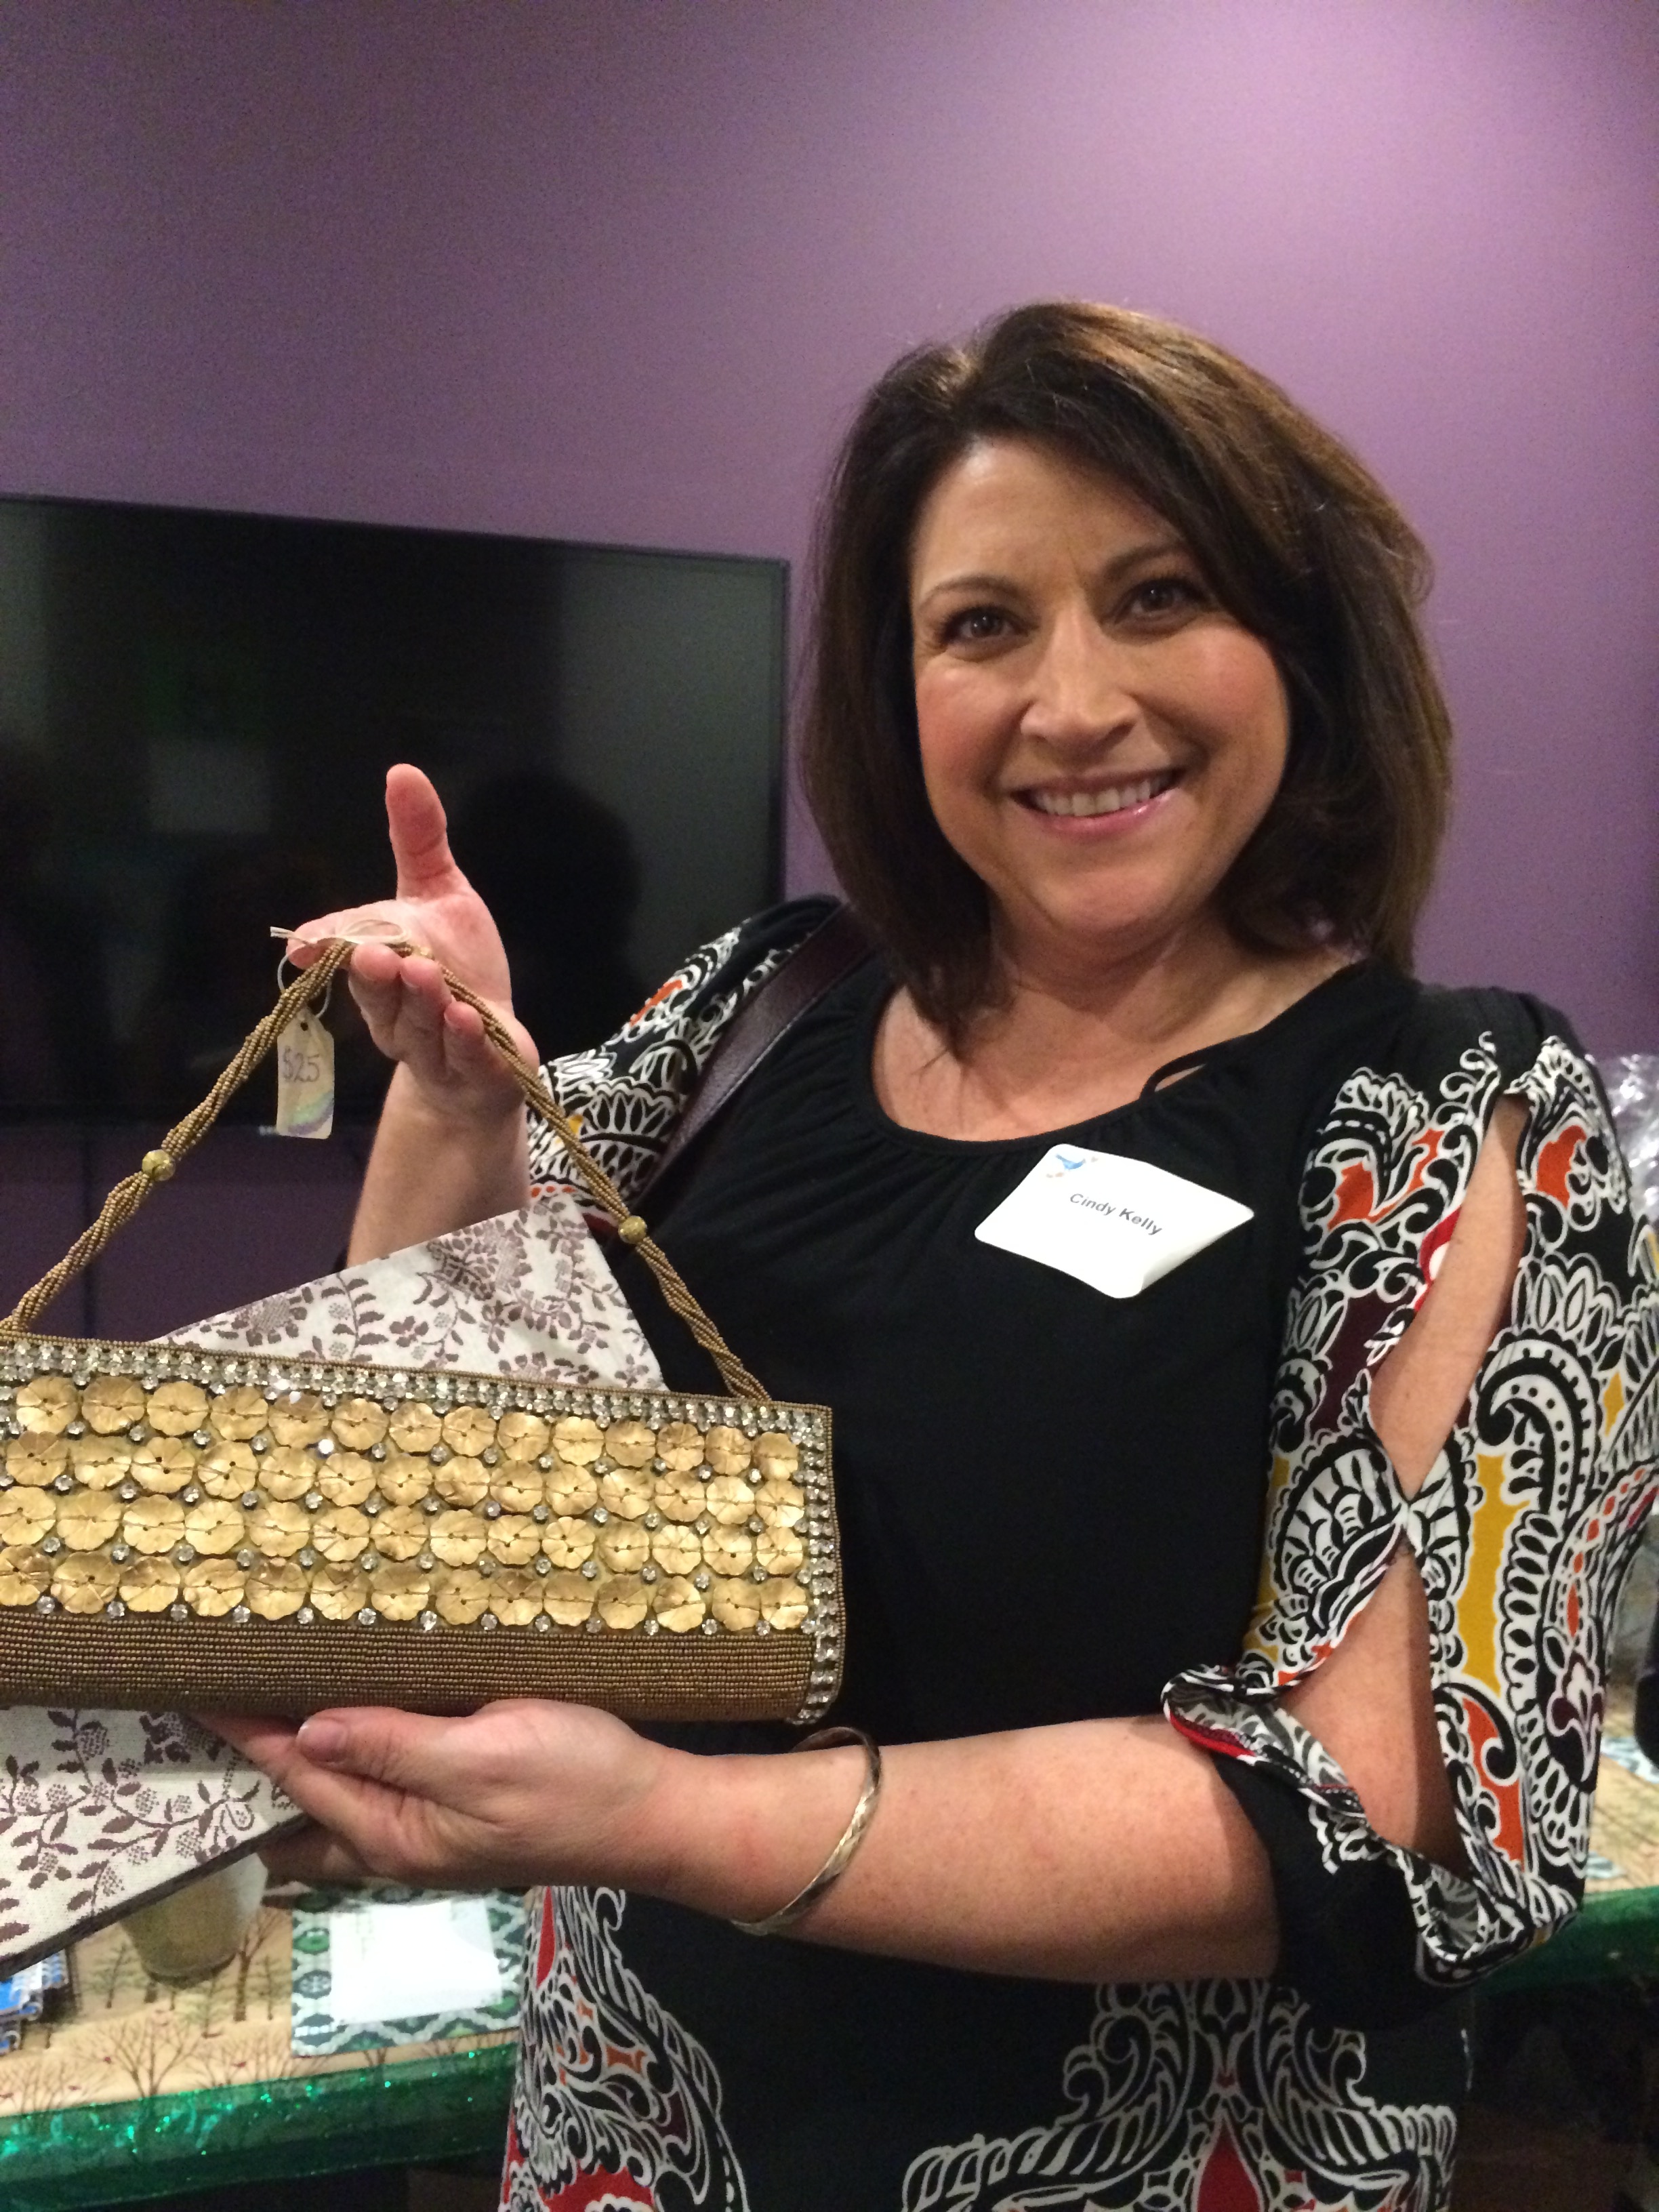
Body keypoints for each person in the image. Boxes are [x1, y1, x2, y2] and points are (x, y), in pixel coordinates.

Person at [211, 303, 1657, 2211]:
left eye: (1158, 598)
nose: (1073, 703)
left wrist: (674, 1819)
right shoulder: (766, 1002)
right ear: (902, 688)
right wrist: (460, 1098)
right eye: (984, 625)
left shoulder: (1447, 1115)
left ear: (1303, 644)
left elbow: (1382, 1806)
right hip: (634, 2145)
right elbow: (428, 1464)